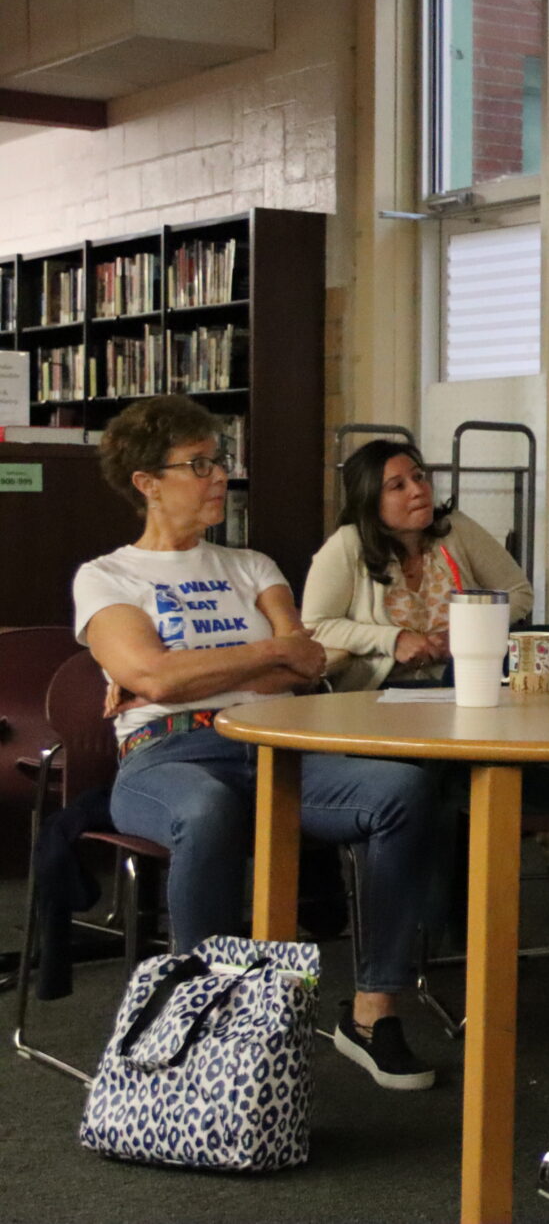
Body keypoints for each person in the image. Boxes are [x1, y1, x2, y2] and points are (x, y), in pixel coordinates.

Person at [74, 394, 440, 1089]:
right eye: (200, 464)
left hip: (277, 745)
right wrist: (248, 657)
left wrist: (184, 673)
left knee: (404, 787)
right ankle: (203, 1026)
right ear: (148, 482)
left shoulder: (252, 564)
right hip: (167, 755)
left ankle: (371, 1010)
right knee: (206, 810)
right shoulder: (107, 576)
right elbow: (150, 673)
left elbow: (305, 659)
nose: (219, 476)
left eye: (221, 461)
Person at [303, 439, 534, 691]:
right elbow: (317, 625)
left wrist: (469, 631)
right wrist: (393, 640)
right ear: (370, 499)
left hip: (462, 683)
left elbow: (519, 593)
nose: (417, 489)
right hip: (381, 691)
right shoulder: (348, 544)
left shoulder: (456, 529)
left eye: (419, 477)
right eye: (398, 486)